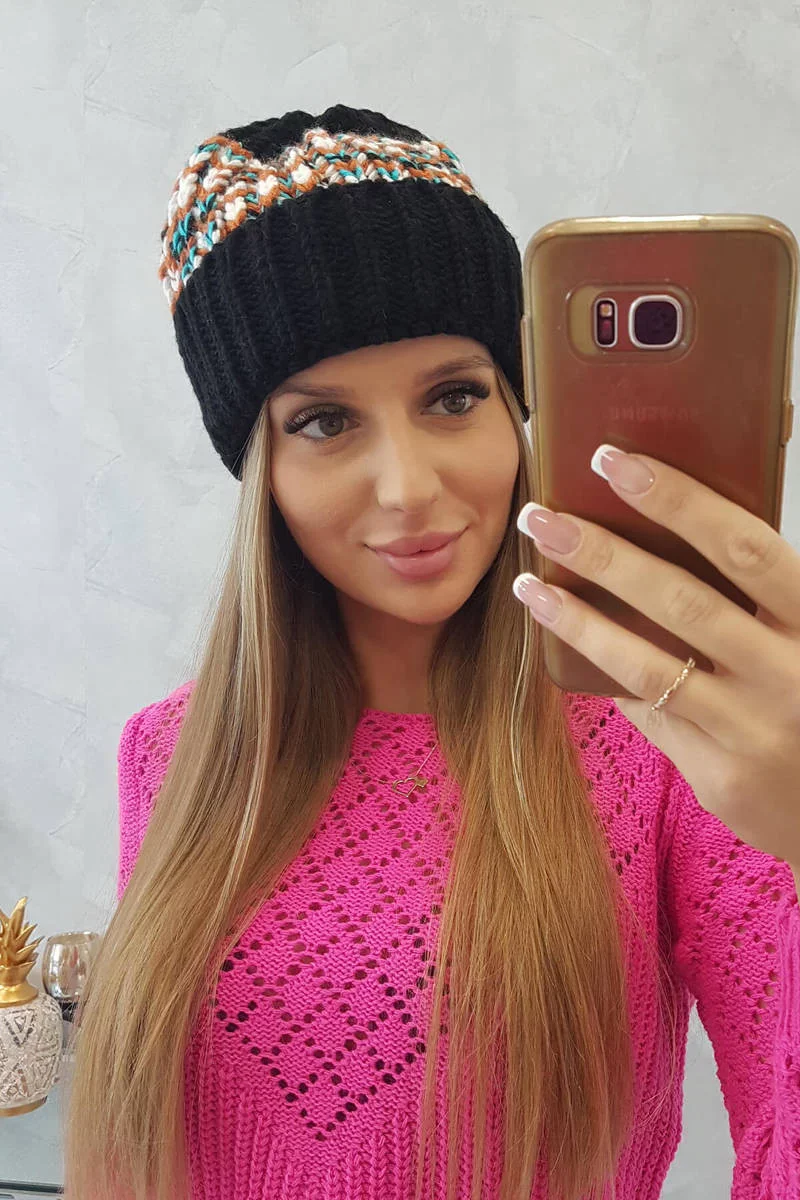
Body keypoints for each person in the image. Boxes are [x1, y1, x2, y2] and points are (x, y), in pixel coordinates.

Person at [63, 106, 800, 1200]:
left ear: (518, 408)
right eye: (324, 423)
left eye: (454, 397)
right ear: (259, 469)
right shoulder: (166, 757)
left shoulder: (677, 748)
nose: (408, 487)